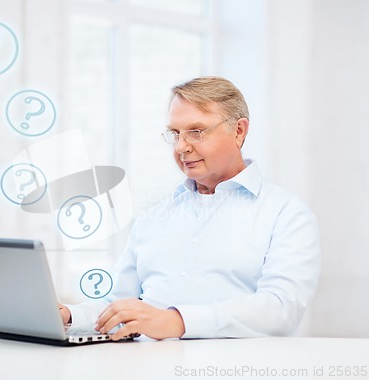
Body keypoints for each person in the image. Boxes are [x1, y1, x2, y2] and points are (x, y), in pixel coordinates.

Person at [60, 76, 321, 341]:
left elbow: (280, 310)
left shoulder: (286, 215)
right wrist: (70, 315)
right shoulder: (153, 218)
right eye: (175, 133)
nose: (181, 147)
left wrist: (178, 322)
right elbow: (119, 304)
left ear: (239, 131)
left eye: (196, 131)